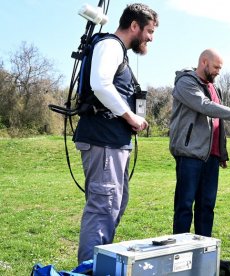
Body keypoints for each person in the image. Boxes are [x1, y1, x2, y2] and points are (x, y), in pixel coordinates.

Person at [73, 4, 158, 263]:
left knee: (114, 206)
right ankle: (88, 270)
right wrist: (130, 115)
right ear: (134, 25)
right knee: (102, 209)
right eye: (149, 31)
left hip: (113, 143)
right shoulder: (110, 46)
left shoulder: (118, 51)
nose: (150, 38)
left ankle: (99, 264)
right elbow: (100, 84)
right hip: (103, 142)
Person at [169, 49, 230, 238]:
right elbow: (206, 107)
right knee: (185, 206)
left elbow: (217, 122)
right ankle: (179, 255)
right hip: (190, 155)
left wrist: (221, 152)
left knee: (207, 207)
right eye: (216, 67)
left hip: (211, 157)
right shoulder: (186, 82)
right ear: (204, 62)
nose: (219, 71)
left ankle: (205, 254)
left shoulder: (214, 87)